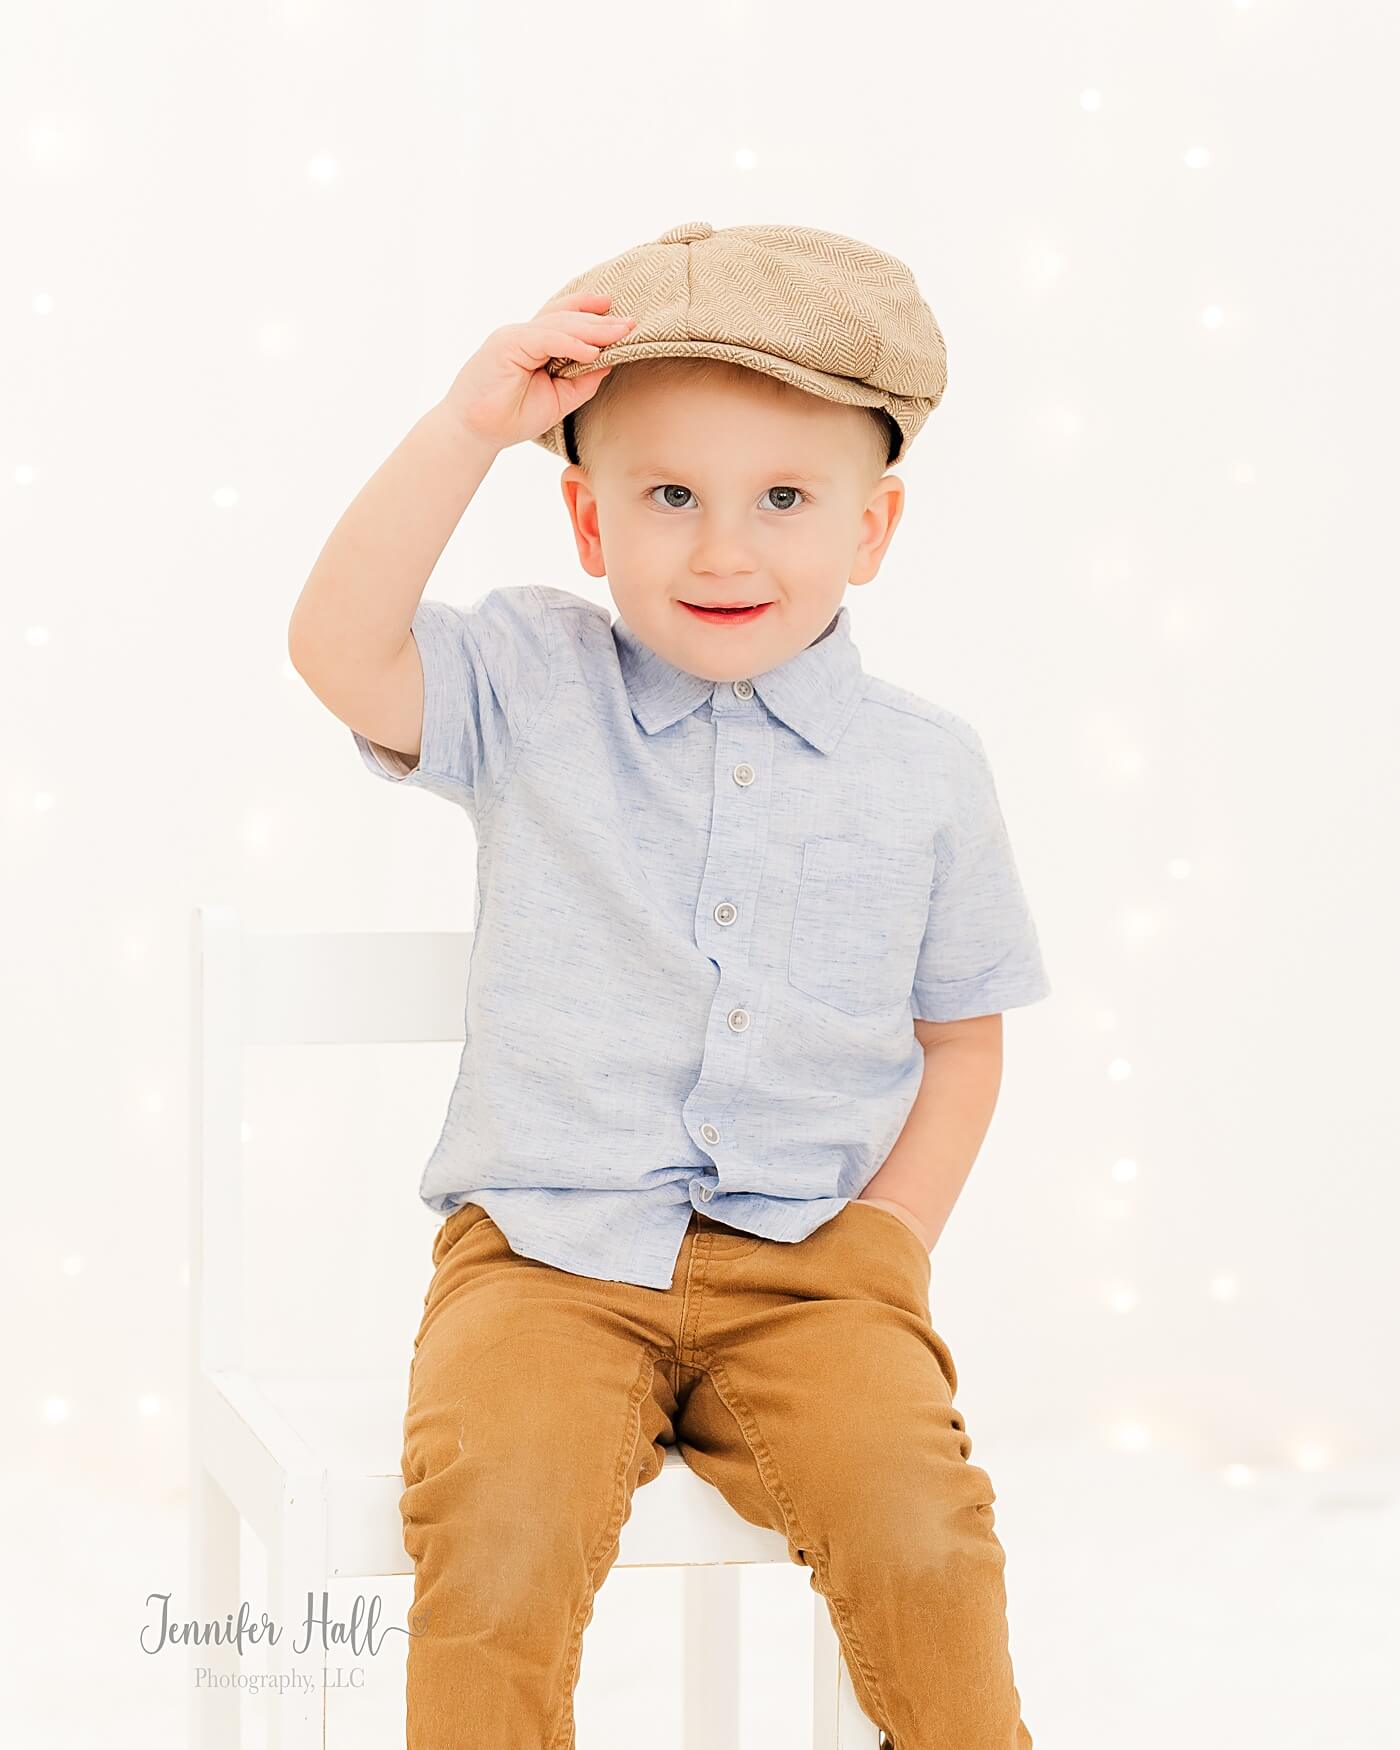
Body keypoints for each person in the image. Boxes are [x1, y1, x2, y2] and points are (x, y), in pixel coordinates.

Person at [288, 219, 1051, 1750]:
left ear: (873, 527)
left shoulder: (927, 770)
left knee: (927, 1535)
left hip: (817, 1271)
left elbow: (959, 1037)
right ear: (585, 518)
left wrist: (886, 1246)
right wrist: (464, 431)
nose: (722, 547)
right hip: (547, 1260)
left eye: (783, 498)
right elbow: (337, 646)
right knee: (496, 1533)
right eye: (669, 496)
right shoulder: (529, 683)